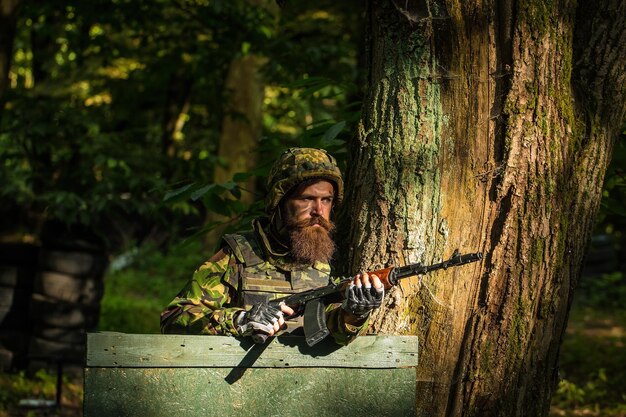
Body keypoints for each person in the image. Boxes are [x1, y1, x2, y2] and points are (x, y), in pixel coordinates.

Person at [160, 147, 384, 345]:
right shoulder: (239, 254)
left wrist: (354, 314)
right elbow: (174, 318)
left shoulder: (324, 256)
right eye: (306, 199)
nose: (318, 210)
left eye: (326, 200)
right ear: (279, 201)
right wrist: (241, 320)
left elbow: (329, 332)